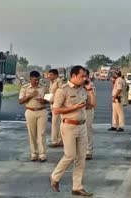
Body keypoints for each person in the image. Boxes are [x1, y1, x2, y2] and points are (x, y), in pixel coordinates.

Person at [50, 65, 93, 197]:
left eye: (85, 76)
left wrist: (89, 89)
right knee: (70, 155)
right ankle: (55, 177)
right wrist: (73, 108)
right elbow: (56, 110)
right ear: (73, 76)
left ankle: (77, 187)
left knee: (81, 158)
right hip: (69, 125)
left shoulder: (83, 89)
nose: (84, 78)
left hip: (82, 126)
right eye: (82, 76)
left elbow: (91, 104)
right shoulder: (63, 90)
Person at [19, 71, 48, 162]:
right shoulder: (25, 88)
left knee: (42, 133)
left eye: (38, 79)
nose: (36, 81)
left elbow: (49, 99)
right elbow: (20, 101)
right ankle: (34, 153)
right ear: (30, 79)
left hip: (42, 111)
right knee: (32, 134)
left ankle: (42, 154)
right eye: (34, 80)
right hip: (30, 111)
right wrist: (30, 96)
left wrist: (44, 100)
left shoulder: (43, 87)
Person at [48, 69, 63, 148]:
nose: (49, 76)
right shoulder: (52, 82)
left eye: (51, 75)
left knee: (55, 123)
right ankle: (60, 140)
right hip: (52, 104)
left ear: (56, 75)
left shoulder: (59, 82)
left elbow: (61, 93)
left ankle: (55, 141)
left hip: (57, 105)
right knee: (57, 123)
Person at [84, 69, 96, 160]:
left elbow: (92, 102)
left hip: (87, 110)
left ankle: (88, 151)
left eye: (84, 76)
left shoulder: (91, 86)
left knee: (87, 130)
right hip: (77, 111)